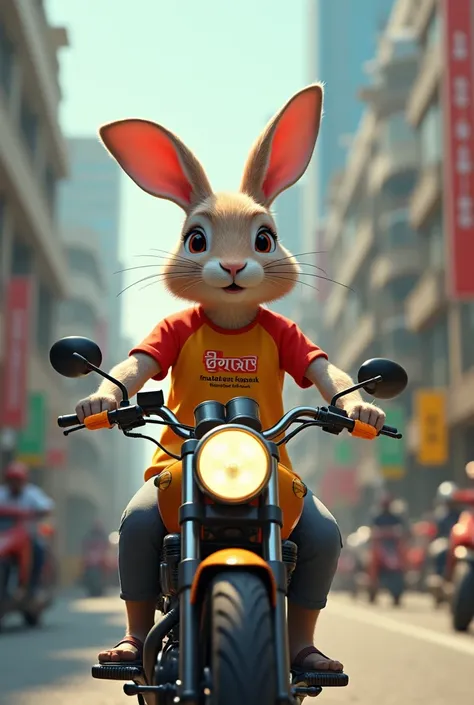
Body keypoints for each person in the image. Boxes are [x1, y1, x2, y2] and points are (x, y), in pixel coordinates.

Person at [76, 82, 388, 674]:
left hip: (269, 467)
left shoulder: (278, 331)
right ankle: (136, 635)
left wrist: (351, 399)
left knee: (322, 535)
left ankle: (301, 643)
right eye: (202, 240)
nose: (234, 261)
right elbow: (136, 365)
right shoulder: (179, 326)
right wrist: (107, 391)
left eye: (260, 240)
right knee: (138, 522)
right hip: (181, 463)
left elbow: (325, 372)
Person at [0, 461, 54, 595]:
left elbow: (47, 506)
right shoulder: (2, 494)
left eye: (17, 480)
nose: (14, 483)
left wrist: (38, 512)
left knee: (39, 550)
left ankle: (32, 586)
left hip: (27, 536)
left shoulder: (32, 493)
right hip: (5, 536)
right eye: (12, 480)